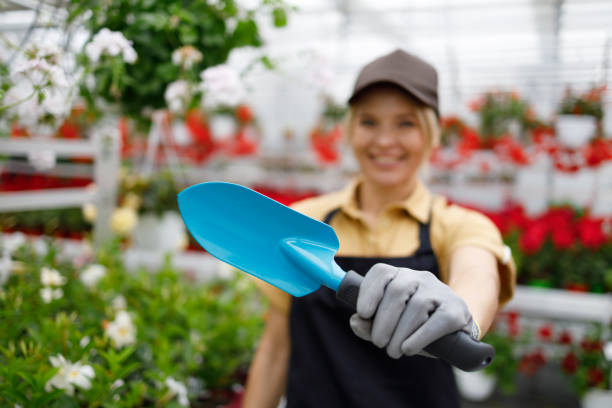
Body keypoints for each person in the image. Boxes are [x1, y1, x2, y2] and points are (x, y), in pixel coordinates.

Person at [242, 49, 515, 408]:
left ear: (432, 134)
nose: (385, 141)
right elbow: (276, 348)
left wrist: (463, 313)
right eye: (369, 122)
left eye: (405, 123)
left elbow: (477, 275)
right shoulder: (304, 222)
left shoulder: (457, 225)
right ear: (350, 130)